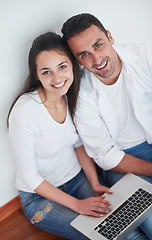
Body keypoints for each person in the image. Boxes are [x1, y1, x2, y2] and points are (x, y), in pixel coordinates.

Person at [7, 31, 112, 240]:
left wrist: (94, 182)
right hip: (38, 197)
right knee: (99, 234)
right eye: (46, 72)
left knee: (117, 221)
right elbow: (29, 177)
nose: (57, 78)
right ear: (37, 75)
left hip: (77, 179)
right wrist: (78, 205)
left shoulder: (72, 95)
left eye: (62, 67)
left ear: (72, 64)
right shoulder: (24, 112)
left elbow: (78, 144)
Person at [61, 13, 152, 240]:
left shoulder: (145, 56)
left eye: (98, 45)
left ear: (110, 36)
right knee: (148, 219)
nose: (96, 59)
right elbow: (106, 156)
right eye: (84, 55)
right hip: (125, 162)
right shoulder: (80, 95)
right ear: (77, 60)